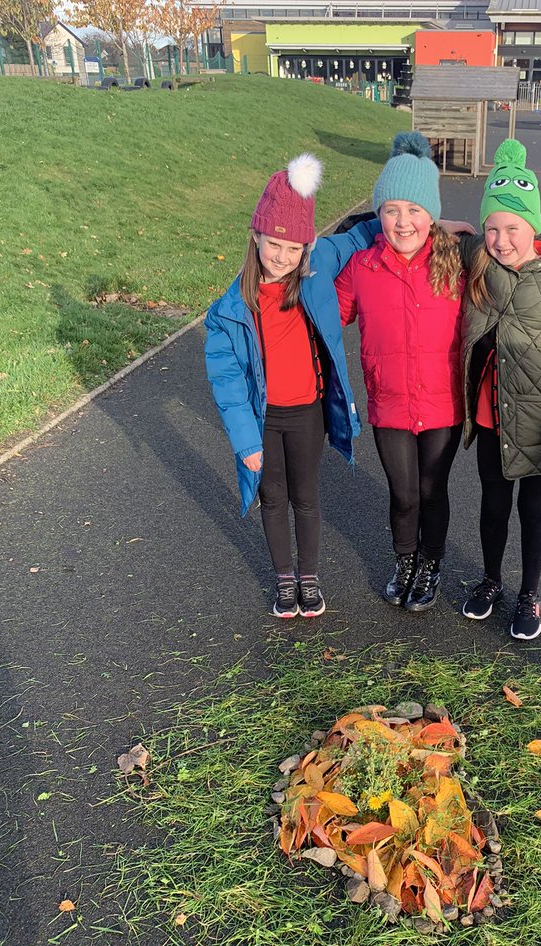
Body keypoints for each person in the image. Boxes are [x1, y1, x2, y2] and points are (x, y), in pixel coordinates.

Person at [203, 155, 380, 619]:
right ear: (255, 237)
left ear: (307, 246)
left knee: (306, 497)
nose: (282, 256)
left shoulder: (316, 265)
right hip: (264, 420)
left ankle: (309, 577)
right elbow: (227, 381)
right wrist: (246, 442)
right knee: (273, 497)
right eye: (274, 244)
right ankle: (285, 579)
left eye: (293, 247)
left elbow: (360, 235)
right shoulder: (229, 310)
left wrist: (429, 225)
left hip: (307, 414)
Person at [459, 138, 541, 641]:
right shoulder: (477, 258)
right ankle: (491, 579)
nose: (501, 240)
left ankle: (529, 593)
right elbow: (424, 234)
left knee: (533, 509)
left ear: (532, 227)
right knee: (493, 504)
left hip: (540, 421)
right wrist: (453, 225)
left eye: (512, 228)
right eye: (492, 228)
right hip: (491, 414)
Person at [334, 132, 466, 612]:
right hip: (389, 402)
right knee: (404, 492)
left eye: (414, 210)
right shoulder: (362, 267)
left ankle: (431, 563)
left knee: (432, 490)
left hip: (442, 402)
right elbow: (327, 315)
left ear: (431, 215)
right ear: (378, 215)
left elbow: (516, 260)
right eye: (391, 210)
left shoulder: (457, 262)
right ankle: (405, 560)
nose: (403, 221)